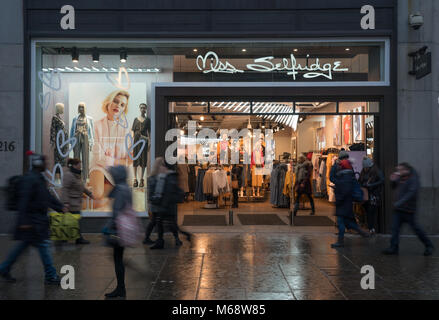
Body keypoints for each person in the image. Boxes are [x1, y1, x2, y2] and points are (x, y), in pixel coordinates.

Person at [0, 154, 66, 284]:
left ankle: (4, 268)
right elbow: (23, 202)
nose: (46, 165)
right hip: (33, 221)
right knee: (43, 246)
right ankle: (51, 276)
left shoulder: (38, 178)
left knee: (23, 246)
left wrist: (60, 207)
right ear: (38, 165)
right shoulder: (30, 179)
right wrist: (24, 221)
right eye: (44, 163)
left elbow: (46, 197)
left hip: (36, 220)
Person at [89, 90, 132, 209]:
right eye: (116, 101)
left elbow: (126, 155)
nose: (118, 105)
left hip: (115, 168)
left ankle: (87, 188)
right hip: (99, 165)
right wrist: (115, 158)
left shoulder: (126, 128)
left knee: (106, 200)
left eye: (122, 104)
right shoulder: (96, 125)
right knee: (98, 195)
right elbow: (98, 155)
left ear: (124, 109)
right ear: (109, 102)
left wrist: (113, 156)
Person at [382, 163, 434, 256]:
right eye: (398, 170)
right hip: (398, 210)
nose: (399, 172)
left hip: (409, 210)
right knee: (395, 229)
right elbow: (393, 187)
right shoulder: (401, 177)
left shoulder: (413, 179)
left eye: (401, 170)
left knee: (417, 230)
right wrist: (393, 181)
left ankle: (429, 246)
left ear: (407, 170)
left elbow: (411, 193)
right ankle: (393, 248)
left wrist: (399, 202)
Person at [147, 157, 190, 249]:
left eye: (163, 165)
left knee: (170, 224)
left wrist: (163, 204)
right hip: (165, 205)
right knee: (163, 223)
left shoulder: (169, 176)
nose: (162, 167)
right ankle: (163, 241)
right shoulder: (162, 176)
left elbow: (168, 192)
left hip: (167, 206)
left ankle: (184, 236)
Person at [105, 165, 131, 298]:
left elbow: (117, 212)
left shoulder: (121, 189)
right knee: (118, 258)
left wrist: (108, 227)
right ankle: (120, 288)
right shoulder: (124, 187)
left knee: (118, 259)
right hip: (122, 228)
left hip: (119, 229)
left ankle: (121, 288)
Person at [331, 159, 369, 248]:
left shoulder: (344, 178)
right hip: (346, 203)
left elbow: (344, 191)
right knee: (348, 223)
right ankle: (362, 232)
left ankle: (340, 241)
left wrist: (338, 195)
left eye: (340, 165)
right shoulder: (348, 176)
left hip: (343, 204)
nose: (339, 167)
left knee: (341, 223)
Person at [62, 158, 94, 244]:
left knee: (73, 221)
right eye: (79, 164)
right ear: (74, 165)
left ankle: (65, 238)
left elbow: (81, 187)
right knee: (74, 221)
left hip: (76, 202)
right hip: (71, 203)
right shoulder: (68, 175)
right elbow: (65, 189)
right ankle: (77, 238)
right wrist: (66, 203)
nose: (81, 166)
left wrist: (89, 194)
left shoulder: (76, 175)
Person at [358, 157, 384, 234]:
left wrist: (371, 185)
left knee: (371, 211)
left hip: (373, 195)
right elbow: (360, 180)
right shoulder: (363, 171)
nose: (365, 169)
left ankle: (371, 228)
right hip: (366, 194)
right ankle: (369, 227)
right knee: (367, 211)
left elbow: (382, 180)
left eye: (366, 167)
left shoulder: (376, 171)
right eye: (364, 167)